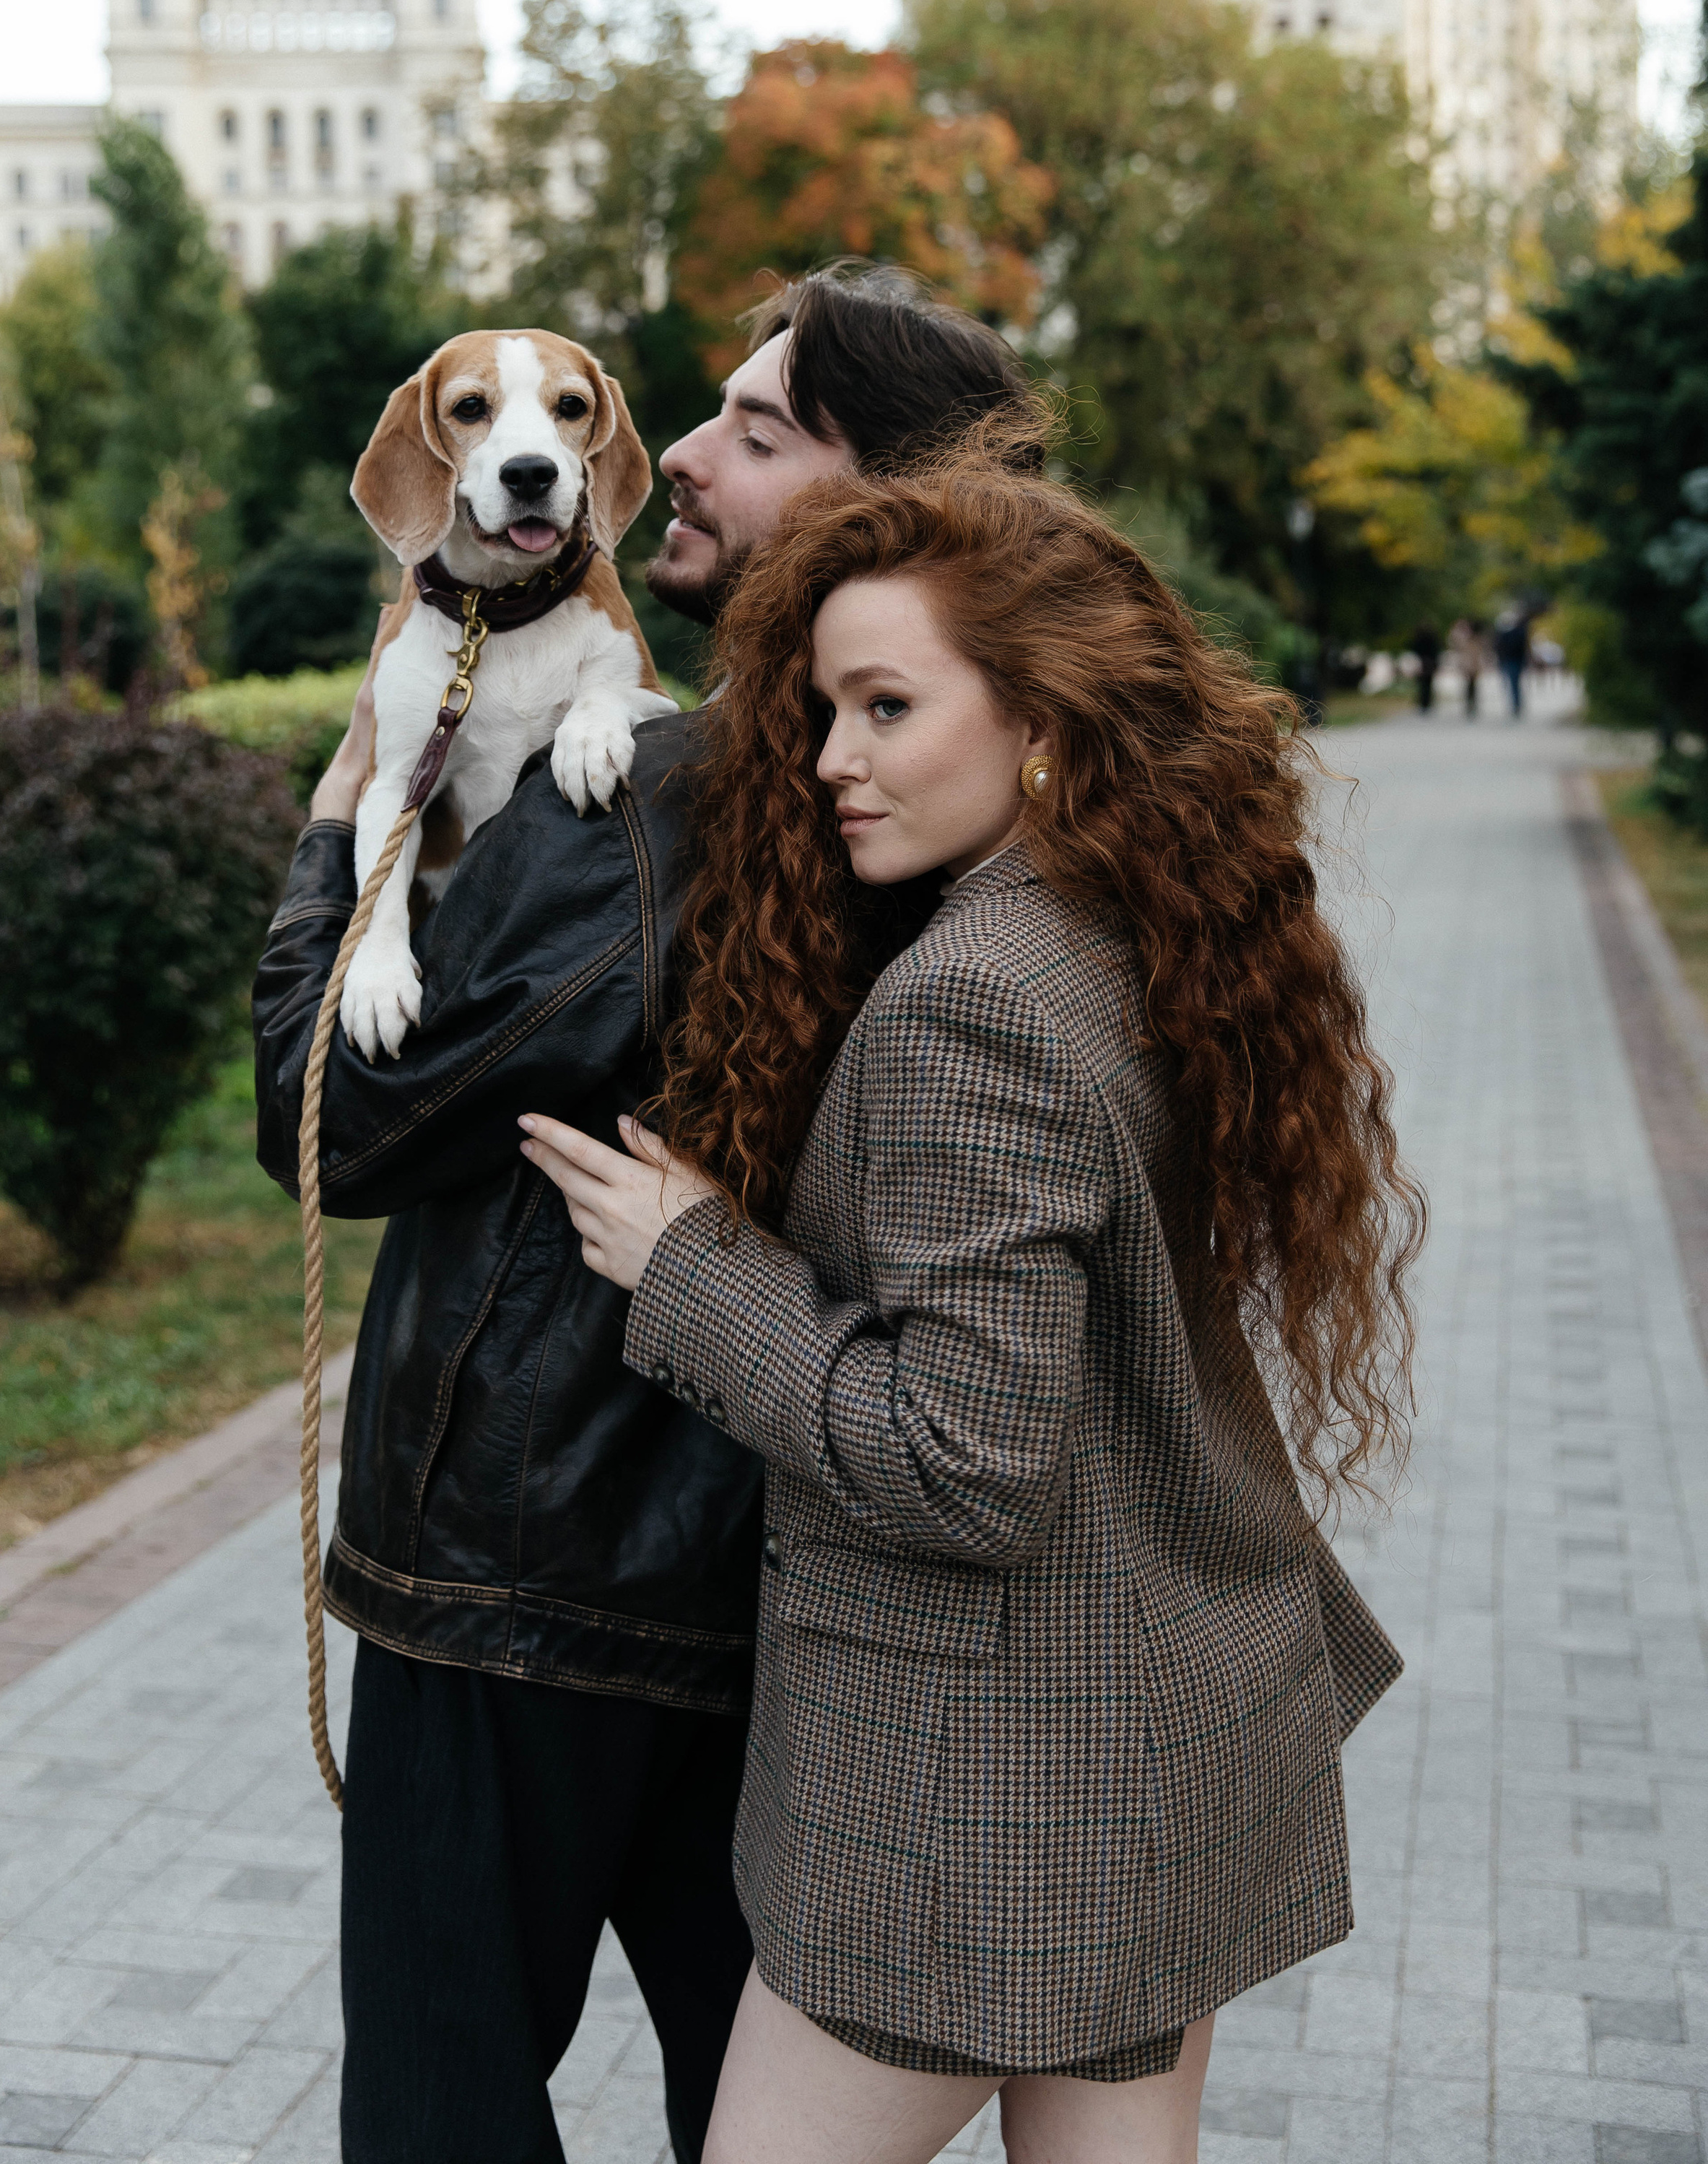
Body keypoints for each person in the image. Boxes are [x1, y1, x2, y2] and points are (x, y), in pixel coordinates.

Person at [523, 448, 1423, 2164]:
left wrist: (691, 1261)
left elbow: (963, 1459)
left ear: (1039, 721)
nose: (829, 758)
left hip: (975, 1800)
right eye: (822, 707)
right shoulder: (1125, 929)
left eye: (881, 705)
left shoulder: (964, 1008)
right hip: (1161, 1722)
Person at [252, 264, 1035, 2164]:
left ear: (879, 505)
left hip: (525, 1564)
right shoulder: (936, 780)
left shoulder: (660, 801)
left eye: (754, 434)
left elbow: (323, 1124)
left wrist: (338, 807)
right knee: (746, 2111)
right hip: (782, 1570)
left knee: (445, 2109)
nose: (669, 452)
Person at [1446, 616, 1487, 719]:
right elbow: (1453, 642)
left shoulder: (1476, 640)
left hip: (1473, 664)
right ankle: (1470, 704)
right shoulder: (1464, 639)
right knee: (1469, 685)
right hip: (1468, 664)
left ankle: (1472, 703)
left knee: (1473, 685)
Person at [1493, 604, 1530, 718]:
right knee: (1514, 683)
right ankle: (1516, 704)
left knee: (1513, 683)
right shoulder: (1519, 633)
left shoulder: (1511, 634)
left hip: (1512, 661)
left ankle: (1516, 705)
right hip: (1513, 660)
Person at [1408, 618, 1442, 711]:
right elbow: (1436, 651)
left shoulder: (1419, 638)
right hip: (1428, 663)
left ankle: (1423, 703)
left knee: (1423, 683)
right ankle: (1426, 703)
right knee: (1427, 683)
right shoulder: (1433, 638)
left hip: (1422, 662)